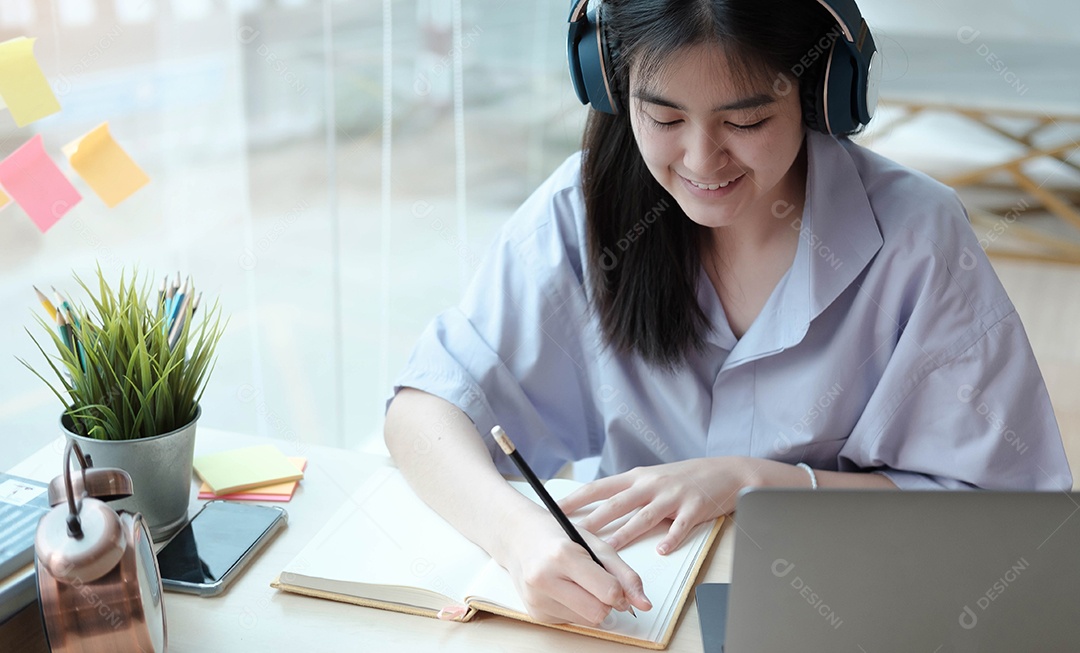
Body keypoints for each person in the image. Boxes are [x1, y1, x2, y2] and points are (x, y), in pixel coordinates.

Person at [384, 0, 1073, 628]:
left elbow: (1010, 522)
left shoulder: (917, 238)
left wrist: (762, 482)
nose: (700, 159)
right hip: (628, 623)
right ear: (611, 85)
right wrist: (521, 537)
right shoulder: (580, 211)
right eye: (663, 117)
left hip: (850, 624)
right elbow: (424, 412)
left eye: (745, 122)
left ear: (819, 92)